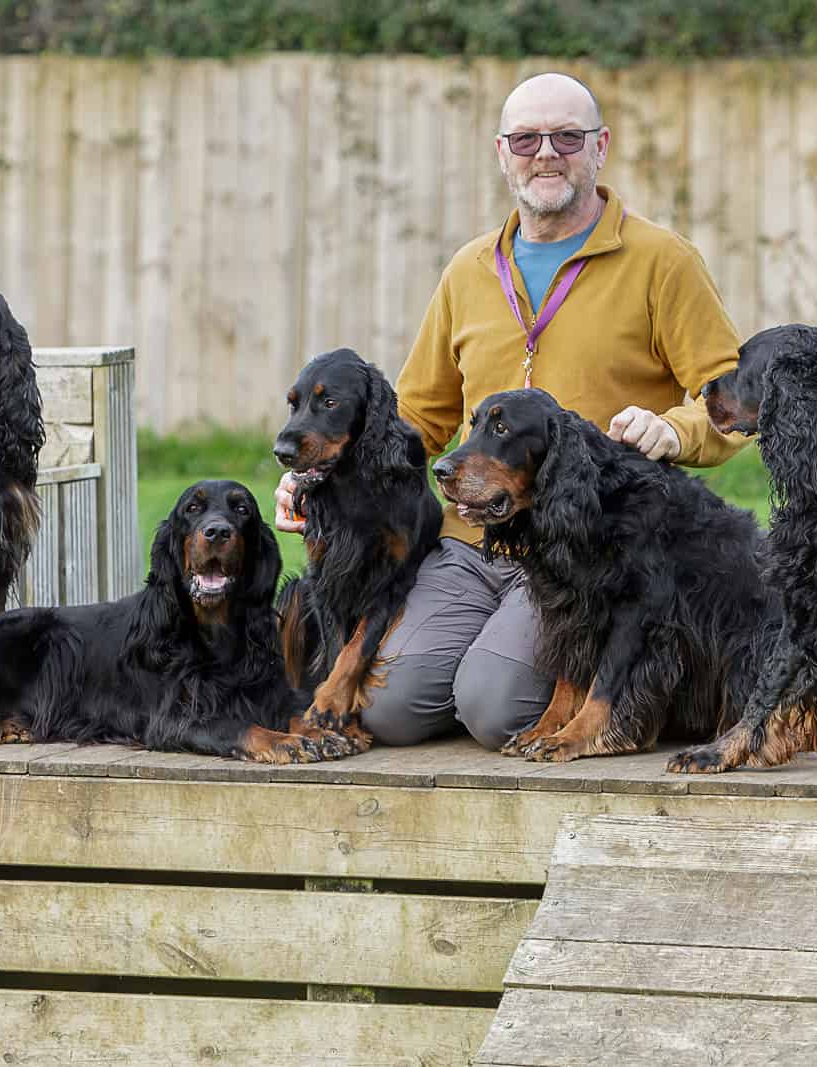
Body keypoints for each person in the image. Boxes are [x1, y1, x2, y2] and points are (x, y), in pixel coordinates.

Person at [275, 71, 747, 749]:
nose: (546, 152)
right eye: (527, 137)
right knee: (390, 709)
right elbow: (415, 421)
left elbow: (727, 399)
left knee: (492, 707)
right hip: (468, 545)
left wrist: (672, 428)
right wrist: (318, 472)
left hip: (580, 548)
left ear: (600, 147)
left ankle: (636, 689)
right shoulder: (469, 270)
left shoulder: (662, 261)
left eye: (567, 136)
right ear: (502, 153)